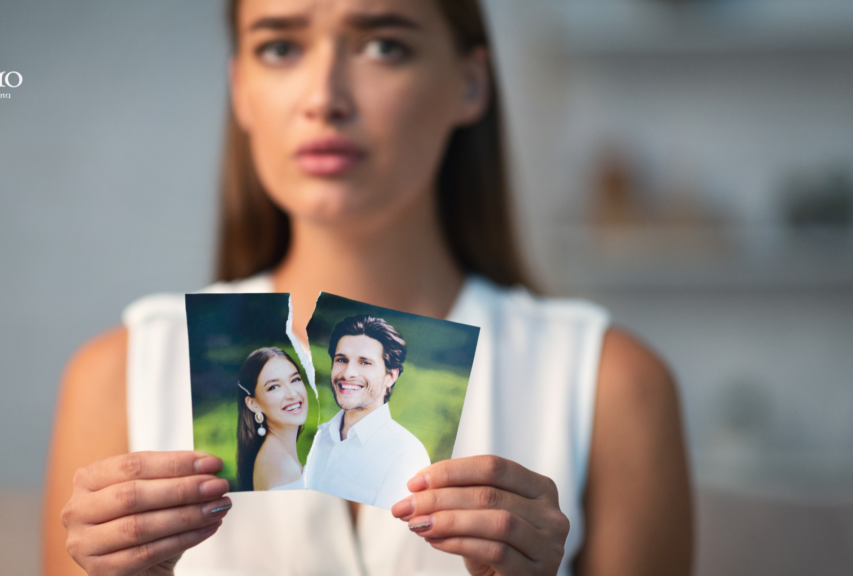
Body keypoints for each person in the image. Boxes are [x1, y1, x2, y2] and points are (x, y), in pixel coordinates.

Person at [44, 0, 692, 575]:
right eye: (280, 46)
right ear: (241, 89)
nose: (324, 96)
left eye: (385, 44)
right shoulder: (119, 375)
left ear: (470, 83)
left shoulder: (612, 384)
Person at [304, 315, 432, 507]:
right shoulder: (320, 437)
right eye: (341, 359)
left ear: (391, 376)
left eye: (365, 362)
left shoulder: (406, 455)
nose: (348, 373)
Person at [234, 347, 309, 491]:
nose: (292, 394)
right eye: (274, 387)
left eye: (295, 379)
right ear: (253, 404)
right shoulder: (285, 468)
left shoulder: (272, 456)